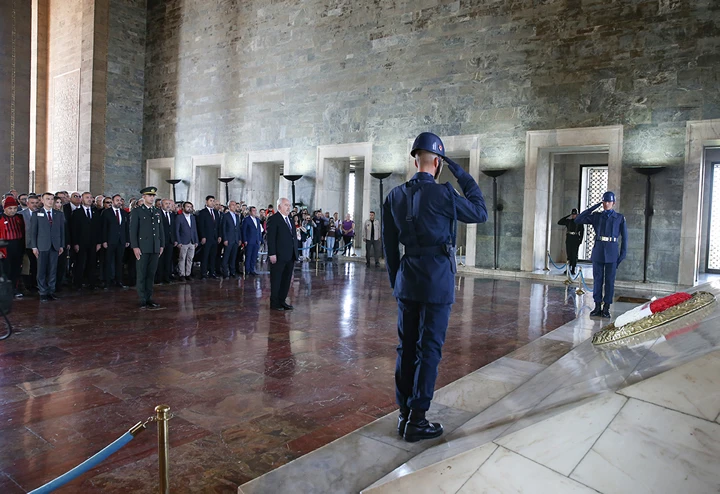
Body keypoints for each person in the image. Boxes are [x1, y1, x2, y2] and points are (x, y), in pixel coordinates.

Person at [383, 132, 487, 442]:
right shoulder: (444, 194)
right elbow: (479, 211)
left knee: (406, 348)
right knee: (429, 349)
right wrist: (461, 172)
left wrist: (396, 282)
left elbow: (390, 248)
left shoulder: (395, 196)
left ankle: (404, 413)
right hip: (437, 280)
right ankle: (418, 419)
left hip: (408, 279)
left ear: (414, 160)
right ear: (438, 162)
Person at [574, 191, 628, 318]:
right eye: (604, 201)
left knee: (609, 281)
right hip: (598, 251)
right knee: (598, 280)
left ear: (613, 203)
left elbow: (625, 238)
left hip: (612, 252)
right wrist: (594, 207)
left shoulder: (619, 218)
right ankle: (597, 306)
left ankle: (606, 308)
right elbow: (578, 219)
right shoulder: (597, 216)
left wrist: (622, 254)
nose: (606, 204)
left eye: (608, 202)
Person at [129, 186, 165, 309]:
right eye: (150, 195)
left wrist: (161, 245)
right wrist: (135, 247)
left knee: (151, 274)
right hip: (143, 247)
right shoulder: (137, 211)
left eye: (153, 196)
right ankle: (142, 298)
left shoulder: (156, 211)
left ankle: (149, 297)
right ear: (143, 197)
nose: (152, 198)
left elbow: (160, 230)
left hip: (155, 247)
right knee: (142, 273)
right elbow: (133, 231)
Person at [28, 192, 66, 302]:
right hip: (41, 246)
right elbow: (33, 232)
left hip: (55, 246)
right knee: (41, 270)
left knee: (53, 269)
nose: (50, 201)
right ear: (42, 201)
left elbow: (61, 231)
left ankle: (51, 291)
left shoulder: (58, 214)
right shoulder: (37, 214)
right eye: (47, 199)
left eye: (51, 199)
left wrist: (61, 245)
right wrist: (34, 246)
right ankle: (42, 292)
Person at [266, 198, 298, 311]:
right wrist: (272, 253)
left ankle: (282, 300)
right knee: (276, 279)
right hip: (278, 255)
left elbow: (293, 236)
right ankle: (274, 303)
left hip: (290, 255)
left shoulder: (290, 219)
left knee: (286, 279)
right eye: (286, 205)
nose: (288, 207)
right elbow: (271, 238)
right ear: (279, 206)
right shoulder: (273, 219)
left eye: (289, 205)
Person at [70, 192, 102, 290]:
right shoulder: (76, 213)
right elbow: (73, 229)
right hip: (81, 243)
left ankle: (91, 283)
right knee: (80, 263)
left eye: (90, 197)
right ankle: (78, 284)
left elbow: (98, 228)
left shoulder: (95, 212)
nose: (89, 199)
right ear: (82, 199)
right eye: (86, 197)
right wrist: (75, 243)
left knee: (92, 263)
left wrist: (99, 242)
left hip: (93, 243)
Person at [101, 194, 129, 288]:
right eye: (117, 200)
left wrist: (127, 239)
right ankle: (108, 282)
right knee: (108, 261)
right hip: (110, 241)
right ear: (112, 202)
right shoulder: (106, 212)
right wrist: (104, 240)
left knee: (119, 261)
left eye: (120, 200)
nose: (119, 202)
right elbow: (103, 227)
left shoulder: (124, 213)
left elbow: (126, 227)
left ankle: (119, 281)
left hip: (121, 241)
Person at [0, 196, 25, 298]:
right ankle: (5, 291)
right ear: (4, 208)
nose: (13, 211)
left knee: (16, 269)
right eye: (10, 208)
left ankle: (14, 289)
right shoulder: (0, 218)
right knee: (6, 270)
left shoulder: (19, 218)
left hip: (18, 246)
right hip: (5, 247)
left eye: (14, 208)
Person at [197, 195, 221, 279]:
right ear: (206, 202)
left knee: (213, 255)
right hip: (206, 237)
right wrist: (202, 236)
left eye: (213, 201)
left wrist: (219, 236)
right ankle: (203, 273)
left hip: (214, 237)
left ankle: (212, 272)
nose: (212, 202)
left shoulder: (215, 212)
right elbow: (201, 226)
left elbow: (218, 226)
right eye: (211, 200)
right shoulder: (202, 212)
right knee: (205, 256)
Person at [175, 201, 199, 281]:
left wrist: (196, 241)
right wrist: (178, 241)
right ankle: (182, 274)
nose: (189, 208)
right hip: (183, 241)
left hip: (192, 241)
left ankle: (188, 273)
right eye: (187, 207)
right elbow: (177, 230)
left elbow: (195, 230)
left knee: (190, 258)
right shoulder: (179, 217)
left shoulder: (193, 217)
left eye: (190, 207)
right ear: (183, 208)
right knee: (182, 258)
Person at [557, 208, 584, 275]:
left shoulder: (580, 223)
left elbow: (582, 232)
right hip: (569, 238)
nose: (573, 216)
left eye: (575, 214)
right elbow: (559, 222)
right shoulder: (569, 221)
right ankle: (568, 268)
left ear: (577, 215)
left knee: (574, 255)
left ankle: (573, 269)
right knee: (569, 255)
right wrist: (568, 215)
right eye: (573, 214)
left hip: (575, 239)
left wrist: (580, 240)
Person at [156, 199, 177, 284]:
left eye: (169, 204)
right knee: (160, 260)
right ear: (161, 205)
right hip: (161, 241)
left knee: (168, 260)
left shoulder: (171, 215)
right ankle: (159, 278)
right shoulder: (158, 214)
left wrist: (174, 239)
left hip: (170, 241)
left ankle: (166, 277)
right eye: (166, 204)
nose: (168, 205)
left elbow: (173, 228)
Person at [221, 201, 242, 278]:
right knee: (226, 256)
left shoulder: (237, 216)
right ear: (229, 206)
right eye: (232, 205)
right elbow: (223, 228)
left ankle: (232, 272)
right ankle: (225, 273)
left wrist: (240, 239)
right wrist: (225, 239)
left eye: (235, 205)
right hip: (229, 239)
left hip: (236, 239)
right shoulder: (225, 216)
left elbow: (238, 229)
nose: (234, 207)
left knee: (233, 257)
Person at [242, 206, 262, 275]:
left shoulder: (257, 220)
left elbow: (259, 230)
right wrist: (245, 240)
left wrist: (260, 239)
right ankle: (247, 270)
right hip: (249, 241)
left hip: (256, 241)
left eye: (255, 210)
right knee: (248, 256)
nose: (255, 212)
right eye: (253, 210)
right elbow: (244, 231)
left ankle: (252, 269)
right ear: (250, 212)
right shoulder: (246, 220)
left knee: (254, 256)